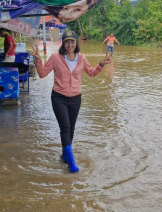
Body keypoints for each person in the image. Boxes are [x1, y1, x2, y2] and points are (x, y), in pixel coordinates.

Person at [31, 29, 111, 173]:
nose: (69, 45)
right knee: (65, 128)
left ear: (76, 43)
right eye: (67, 42)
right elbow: (42, 74)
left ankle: (64, 154)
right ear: (63, 43)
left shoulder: (82, 58)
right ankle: (72, 164)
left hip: (75, 98)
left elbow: (92, 73)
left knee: (71, 129)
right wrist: (37, 59)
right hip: (58, 97)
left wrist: (101, 64)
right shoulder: (56, 57)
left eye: (72, 41)